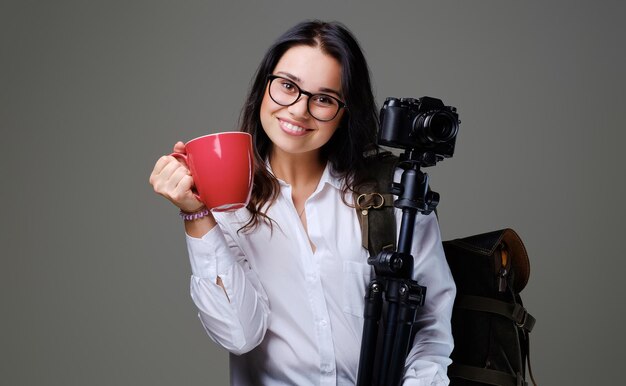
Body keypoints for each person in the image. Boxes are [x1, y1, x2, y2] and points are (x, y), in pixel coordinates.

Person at [149, 20, 455, 386]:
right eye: (288, 86)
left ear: (345, 112)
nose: (298, 110)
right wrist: (195, 213)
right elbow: (239, 335)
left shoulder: (390, 193)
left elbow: (431, 328)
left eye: (324, 98)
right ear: (265, 87)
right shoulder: (229, 206)